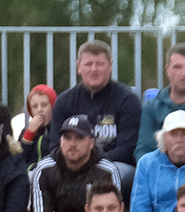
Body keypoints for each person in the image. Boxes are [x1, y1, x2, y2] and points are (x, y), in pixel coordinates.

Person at [29, 114, 123, 212]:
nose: (72, 144)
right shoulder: (44, 168)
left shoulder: (107, 171)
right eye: (67, 137)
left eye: (79, 138)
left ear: (92, 143)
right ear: (60, 141)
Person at [51, 41, 142, 172]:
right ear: (78, 67)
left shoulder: (128, 100)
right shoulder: (64, 101)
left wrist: (90, 164)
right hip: (72, 166)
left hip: (113, 166)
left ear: (110, 66)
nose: (94, 69)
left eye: (99, 64)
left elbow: (127, 148)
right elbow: (55, 145)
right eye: (88, 64)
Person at [12, 84, 59, 167]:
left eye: (44, 105)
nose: (40, 110)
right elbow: (19, 159)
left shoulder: (58, 128)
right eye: (35, 106)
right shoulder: (26, 131)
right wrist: (29, 134)